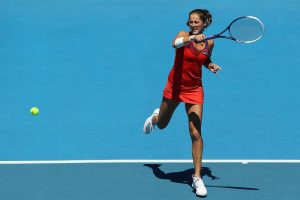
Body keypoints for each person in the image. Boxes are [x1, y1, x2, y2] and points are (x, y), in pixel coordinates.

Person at [143, 9, 222, 197]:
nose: (193, 25)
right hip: (175, 87)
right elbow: (175, 44)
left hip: (195, 89)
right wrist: (190, 39)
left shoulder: (209, 42)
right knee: (162, 125)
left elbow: (203, 58)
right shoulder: (183, 35)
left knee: (195, 132)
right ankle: (156, 116)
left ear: (204, 24)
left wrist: (209, 64)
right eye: (191, 22)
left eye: (196, 22)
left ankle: (196, 177)